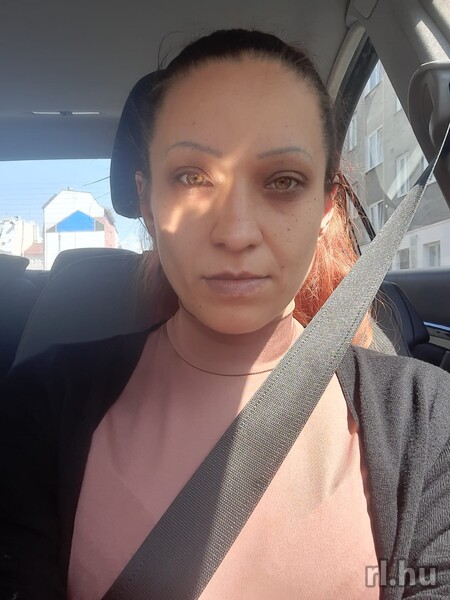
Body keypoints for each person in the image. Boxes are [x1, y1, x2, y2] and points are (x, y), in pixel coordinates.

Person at [0, 29, 449, 600]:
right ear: (147, 202)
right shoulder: (38, 406)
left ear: (325, 207)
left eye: (283, 181)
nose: (236, 233)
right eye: (192, 178)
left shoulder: (428, 418)